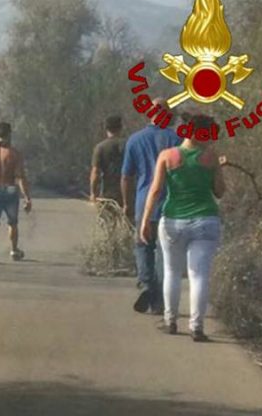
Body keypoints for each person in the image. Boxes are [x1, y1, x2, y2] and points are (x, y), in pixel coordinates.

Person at [140, 114, 226, 342]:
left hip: (173, 221)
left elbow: (156, 191)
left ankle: (170, 321)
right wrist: (218, 168)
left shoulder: (167, 157)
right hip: (205, 220)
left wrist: (145, 221)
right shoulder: (211, 158)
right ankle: (196, 327)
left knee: (172, 272)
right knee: (199, 275)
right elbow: (219, 191)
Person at [121, 98, 181, 314]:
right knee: (165, 252)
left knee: (143, 245)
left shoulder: (134, 140)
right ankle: (159, 300)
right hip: (170, 202)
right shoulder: (177, 139)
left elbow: (127, 176)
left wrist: (126, 203)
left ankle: (147, 284)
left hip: (143, 200)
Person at [0, 122, 32, 264]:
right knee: (12, 223)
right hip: (10, 189)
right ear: (9, 134)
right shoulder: (14, 153)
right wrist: (27, 197)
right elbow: (20, 176)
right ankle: (14, 250)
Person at [90, 115, 125, 203]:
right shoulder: (128, 145)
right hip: (127, 192)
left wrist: (93, 193)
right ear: (120, 128)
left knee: (107, 216)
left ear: (106, 129)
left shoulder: (100, 147)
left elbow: (95, 172)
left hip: (108, 192)